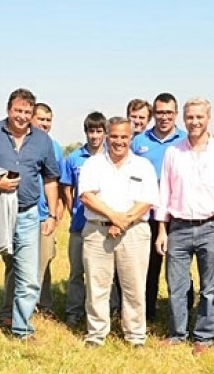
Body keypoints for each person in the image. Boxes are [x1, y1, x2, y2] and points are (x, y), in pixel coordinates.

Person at [0, 88, 60, 344]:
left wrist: (52, 214)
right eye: (18, 110)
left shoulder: (42, 140)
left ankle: (22, 329)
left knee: (28, 278)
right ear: (9, 110)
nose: (22, 116)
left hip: (27, 215)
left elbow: (51, 178)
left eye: (27, 112)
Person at [155, 98, 214, 356]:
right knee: (176, 285)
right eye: (190, 117)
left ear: (208, 118)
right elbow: (164, 192)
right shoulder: (173, 153)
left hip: (211, 226)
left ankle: (203, 335)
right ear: (184, 118)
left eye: (199, 117)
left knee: (209, 286)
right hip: (178, 227)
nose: (195, 122)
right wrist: (161, 230)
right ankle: (178, 333)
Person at [79, 117, 159, 347]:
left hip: (134, 231)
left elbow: (147, 201)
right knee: (97, 285)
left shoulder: (143, 166)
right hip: (98, 231)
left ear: (131, 138)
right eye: (114, 136)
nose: (119, 141)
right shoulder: (93, 164)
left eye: (124, 137)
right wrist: (114, 217)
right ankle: (96, 334)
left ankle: (135, 335)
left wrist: (123, 221)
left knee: (134, 286)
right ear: (106, 136)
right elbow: (86, 196)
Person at [1, 102, 63, 323]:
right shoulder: (16, 143)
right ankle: (9, 310)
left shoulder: (53, 147)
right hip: (16, 213)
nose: (44, 124)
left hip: (43, 216)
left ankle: (43, 306)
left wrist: (54, 214)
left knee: (43, 262)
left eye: (48, 120)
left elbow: (58, 183)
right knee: (14, 264)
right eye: (41, 119)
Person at [131, 92, 187, 322]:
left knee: (179, 266)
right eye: (160, 113)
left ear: (176, 114)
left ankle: (183, 313)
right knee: (150, 266)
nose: (164, 117)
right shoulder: (140, 141)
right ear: (154, 114)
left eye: (169, 113)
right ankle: (148, 313)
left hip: (178, 213)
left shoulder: (185, 140)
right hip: (148, 214)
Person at [62, 111, 108, 327]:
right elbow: (66, 189)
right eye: (91, 131)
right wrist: (73, 210)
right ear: (86, 132)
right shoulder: (74, 158)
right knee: (77, 271)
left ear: (105, 133)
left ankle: (109, 309)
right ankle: (74, 311)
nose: (95, 136)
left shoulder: (112, 157)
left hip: (106, 224)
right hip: (80, 224)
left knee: (104, 273)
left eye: (99, 131)